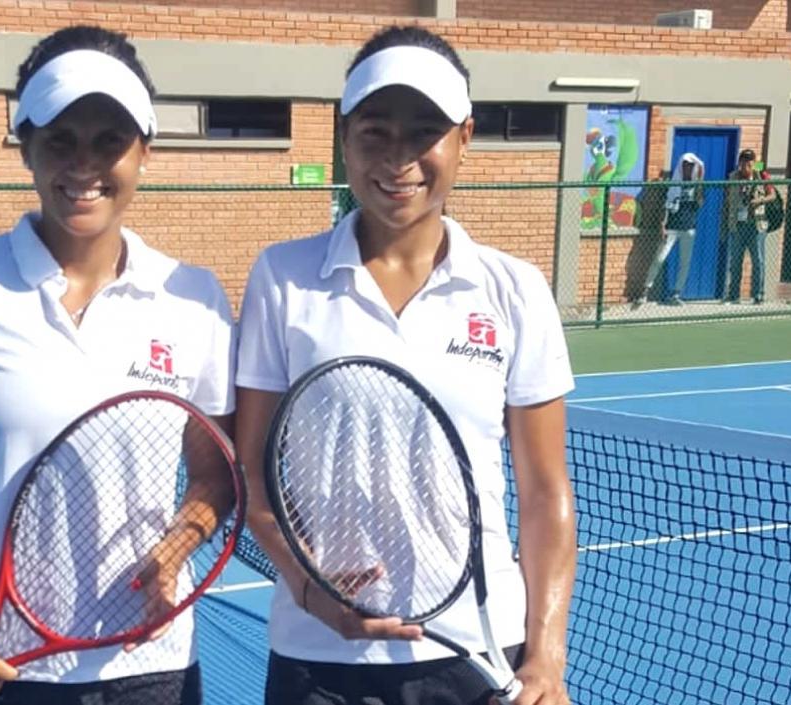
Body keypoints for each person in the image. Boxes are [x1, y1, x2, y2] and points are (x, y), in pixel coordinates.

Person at [0, 25, 234, 705]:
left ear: (144, 151)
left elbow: (215, 470)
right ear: (25, 146)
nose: (84, 165)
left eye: (109, 142)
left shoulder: (195, 298)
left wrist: (179, 544)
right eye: (60, 140)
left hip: (149, 667)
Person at [234, 25, 576, 705]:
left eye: (425, 131)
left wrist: (546, 655)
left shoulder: (515, 289)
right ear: (344, 136)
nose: (400, 158)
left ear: (464, 138)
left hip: (476, 653)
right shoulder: (282, 278)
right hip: (316, 658)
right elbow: (252, 472)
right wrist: (308, 589)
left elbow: (544, 492)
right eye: (376, 131)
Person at [634, 152, 705, 307]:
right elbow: (665, 206)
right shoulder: (673, 184)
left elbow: (700, 203)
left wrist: (700, 181)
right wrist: (662, 225)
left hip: (689, 228)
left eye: (691, 166)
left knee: (684, 262)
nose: (688, 168)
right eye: (685, 165)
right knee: (659, 258)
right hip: (672, 227)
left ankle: (676, 293)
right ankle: (645, 291)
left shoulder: (697, 185)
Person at [724, 149, 775, 304]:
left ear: (754, 162)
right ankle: (734, 295)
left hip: (756, 225)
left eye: (750, 161)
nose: (747, 164)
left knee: (758, 261)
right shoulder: (733, 177)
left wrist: (760, 201)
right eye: (744, 161)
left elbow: (772, 195)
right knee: (735, 261)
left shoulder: (761, 174)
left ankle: (758, 295)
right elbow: (727, 201)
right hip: (738, 224)